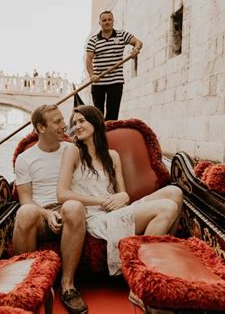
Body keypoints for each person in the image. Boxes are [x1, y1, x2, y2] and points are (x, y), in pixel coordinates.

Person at [57, 105, 182, 276]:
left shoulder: (113, 155)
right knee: (167, 207)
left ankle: (160, 253)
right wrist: (102, 201)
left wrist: (123, 196)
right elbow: (62, 194)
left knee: (175, 192)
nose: (76, 126)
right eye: (74, 123)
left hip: (115, 211)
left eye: (81, 121)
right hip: (94, 217)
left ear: (96, 122)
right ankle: (142, 275)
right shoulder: (73, 151)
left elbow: (123, 196)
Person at [13, 104, 88, 314]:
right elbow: (25, 200)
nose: (64, 125)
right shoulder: (25, 159)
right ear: (41, 127)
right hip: (41, 213)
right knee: (25, 212)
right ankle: (28, 285)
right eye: (57, 122)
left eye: (62, 120)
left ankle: (68, 286)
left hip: (71, 210)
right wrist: (46, 213)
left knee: (73, 207)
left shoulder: (72, 150)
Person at [86, 10, 143, 120]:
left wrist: (136, 49)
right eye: (104, 20)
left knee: (112, 114)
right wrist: (92, 75)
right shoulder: (93, 40)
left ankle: (110, 136)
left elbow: (138, 42)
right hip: (98, 81)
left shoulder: (122, 35)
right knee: (98, 115)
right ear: (100, 23)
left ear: (113, 21)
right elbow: (88, 60)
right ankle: (100, 136)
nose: (107, 22)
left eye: (109, 19)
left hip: (115, 81)